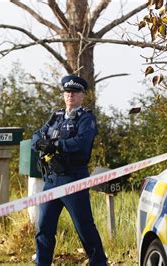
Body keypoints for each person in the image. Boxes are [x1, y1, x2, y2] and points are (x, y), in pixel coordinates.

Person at [31, 75, 107, 266]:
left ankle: (99, 263)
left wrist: (55, 145)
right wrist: (41, 143)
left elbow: (82, 144)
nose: (70, 96)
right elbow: (36, 137)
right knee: (44, 228)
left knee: (84, 228)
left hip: (74, 180)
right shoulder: (56, 117)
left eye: (75, 93)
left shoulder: (86, 118)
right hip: (52, 180)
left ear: (82, 95)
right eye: (67, 92)